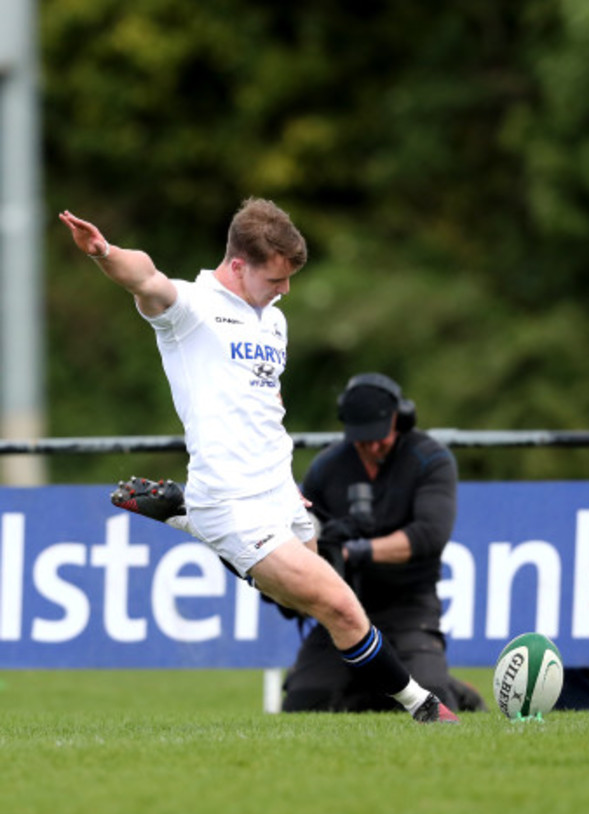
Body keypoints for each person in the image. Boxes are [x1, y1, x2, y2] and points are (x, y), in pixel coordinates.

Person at [59, 199, 458, 724]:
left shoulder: (274, 321)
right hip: (231, 497)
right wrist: (103, 251)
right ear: (240, 264)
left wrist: (286, 482)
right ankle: (424, 707)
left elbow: (265, 405)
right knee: (340, 606)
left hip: (279, 489)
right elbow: (147, 277)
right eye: (277, 278)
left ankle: (187, 516)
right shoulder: (192, 308)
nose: (285, 289)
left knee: (301, 603)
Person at [282, 372, 487, 714]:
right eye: (362, 440)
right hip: (341, 604)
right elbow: (302, 532)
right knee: (304, 703)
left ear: (399, 419)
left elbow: (428, 535)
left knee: (432, 698)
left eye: (380, 437)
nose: (372, 446)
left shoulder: (431, 459)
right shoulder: (326, 468)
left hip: (409, 606)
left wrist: (355, 552)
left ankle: (453, 688)